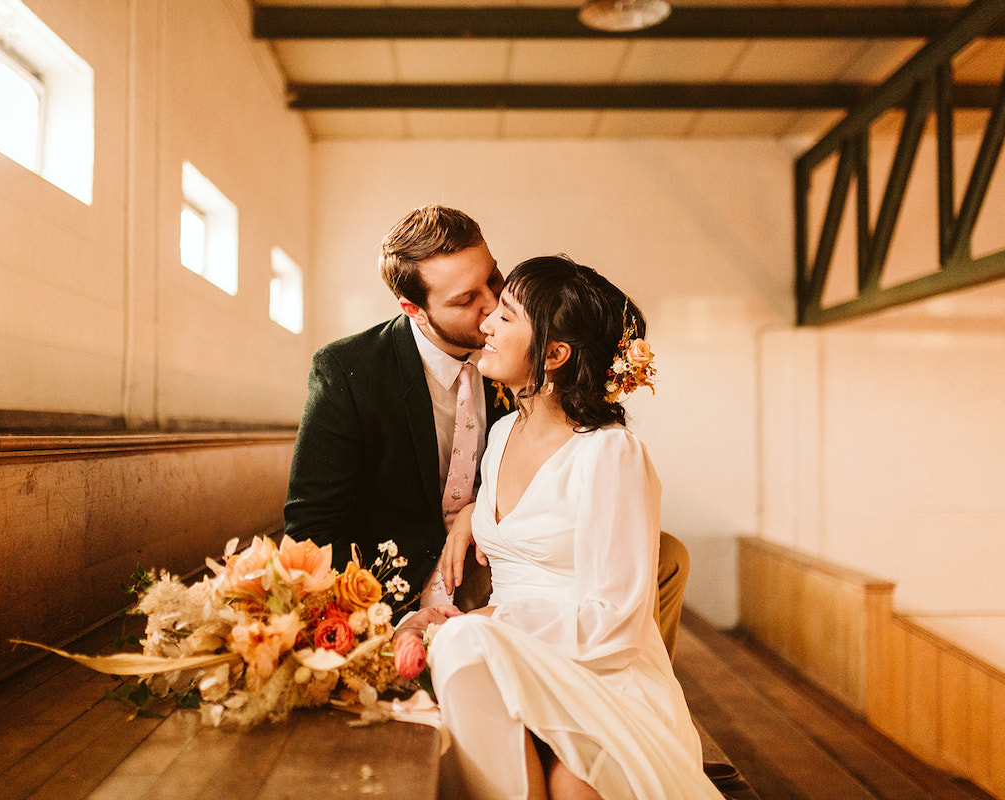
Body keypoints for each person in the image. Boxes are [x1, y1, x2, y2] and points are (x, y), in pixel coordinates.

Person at [416, 256, 723, 800]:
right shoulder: (503, 433)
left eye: (506, 316)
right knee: (459, 647)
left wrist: (491, 621)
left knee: (573, 785)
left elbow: (616, 623)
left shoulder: (610, 453)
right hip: (515, 661)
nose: (485, 323)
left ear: (554, 355)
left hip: (603, 675)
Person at [284, 205, 510, 613]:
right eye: (466, 300)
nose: (494, 305)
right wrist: (369, 621)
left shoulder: (516, 346)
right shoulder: (349, 371)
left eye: (493, 277)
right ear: (414, 310)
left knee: (665, 559)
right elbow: (312, 529)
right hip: (394, 586)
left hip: (495, 558)